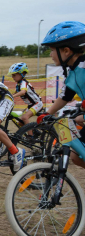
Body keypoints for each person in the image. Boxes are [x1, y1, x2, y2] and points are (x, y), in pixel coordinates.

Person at [37, 21, 85, 168]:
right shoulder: (72, 71)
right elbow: (65, 96)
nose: (51, 55)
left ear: (66, 51)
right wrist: (47, 114)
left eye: (52, 50)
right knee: (77, 156)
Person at [8, 63, 43, 129]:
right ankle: (34, 132)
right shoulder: (18, 84)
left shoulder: (23, 83)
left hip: (37, 103)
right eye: (12, 75)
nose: (12, 77)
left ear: (22, 74)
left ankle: (30, 136)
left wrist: (13, 96)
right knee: (21, 122)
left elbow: (23, 92)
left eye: (14, 75)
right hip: (31, 105)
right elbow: (14, 93)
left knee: (24, 117)